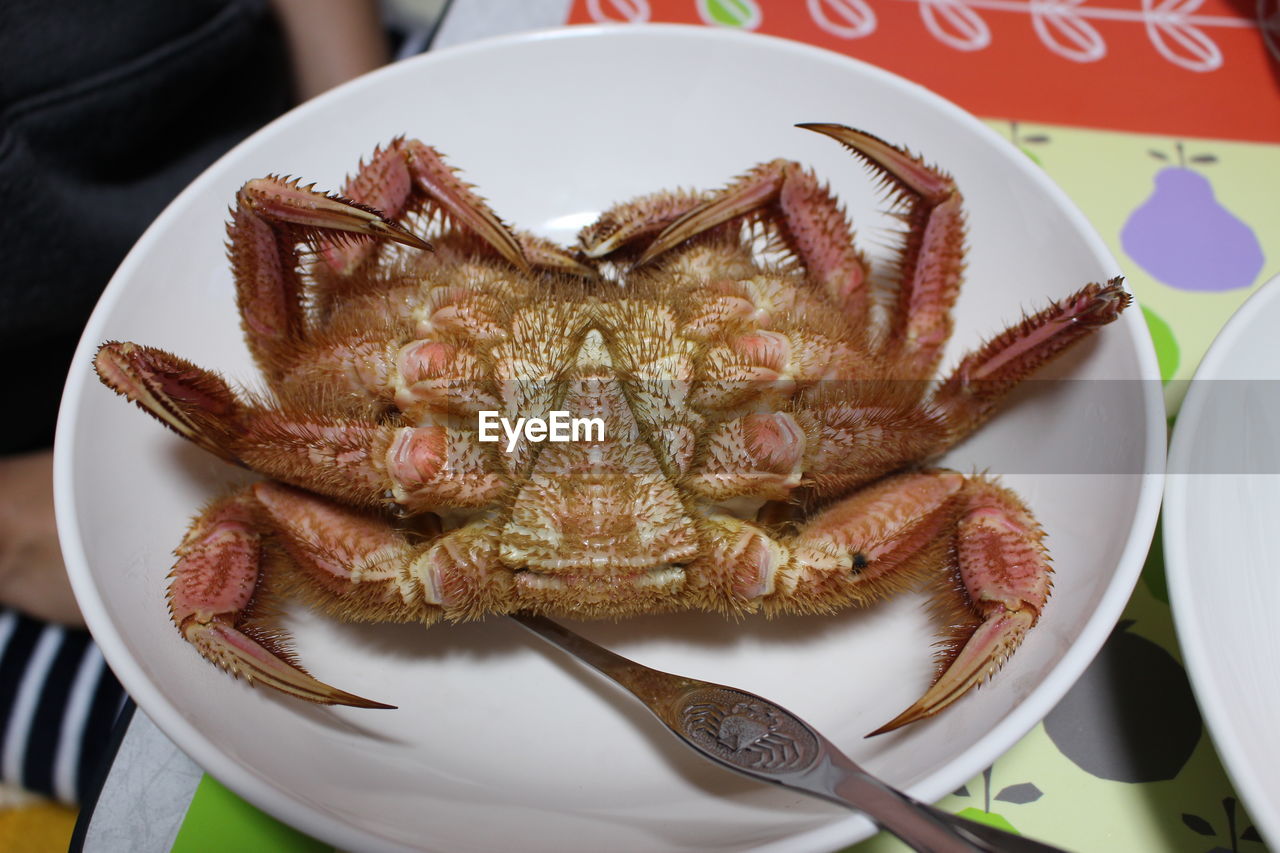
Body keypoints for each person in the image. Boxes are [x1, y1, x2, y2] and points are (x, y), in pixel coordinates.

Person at [0, 0, 391, 811]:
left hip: (282, 175)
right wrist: (12, 527)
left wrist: (349, 123)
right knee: (203, 771)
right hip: (30, 458)